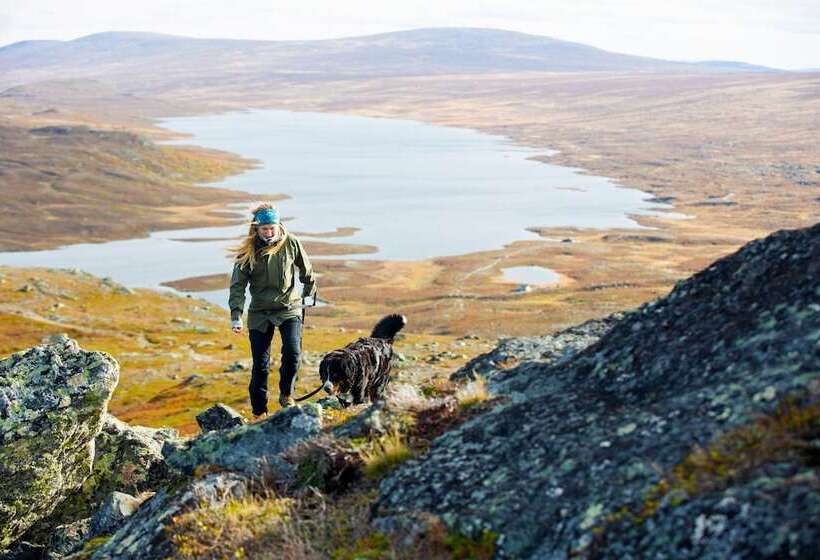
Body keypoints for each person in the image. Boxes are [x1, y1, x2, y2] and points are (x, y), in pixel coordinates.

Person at [228, 202, 316, 417]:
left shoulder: (291, 243)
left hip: (289, 308)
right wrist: (236, 315)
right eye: (264, 229)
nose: (269, 232)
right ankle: (259, 412)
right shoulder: (248, 251)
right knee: (261, 365)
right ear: (257, 229)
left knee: (293, 353)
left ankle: (287, 395)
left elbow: (306, 270)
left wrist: (309, 292)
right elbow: (238, 285)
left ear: (278, 226)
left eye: (272, 228)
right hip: (260, 313)